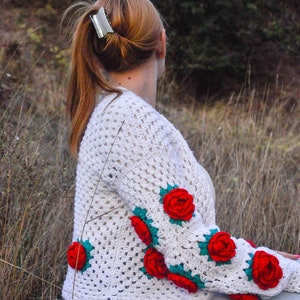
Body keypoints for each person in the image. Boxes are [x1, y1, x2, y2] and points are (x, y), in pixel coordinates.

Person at [61, 0, 300, 299]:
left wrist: (259, 255)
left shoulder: (120, 114)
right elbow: (189, 253)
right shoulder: (129, 120)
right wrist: (290, 273)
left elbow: (183, 239)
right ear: (161, 43)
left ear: (98, 55)